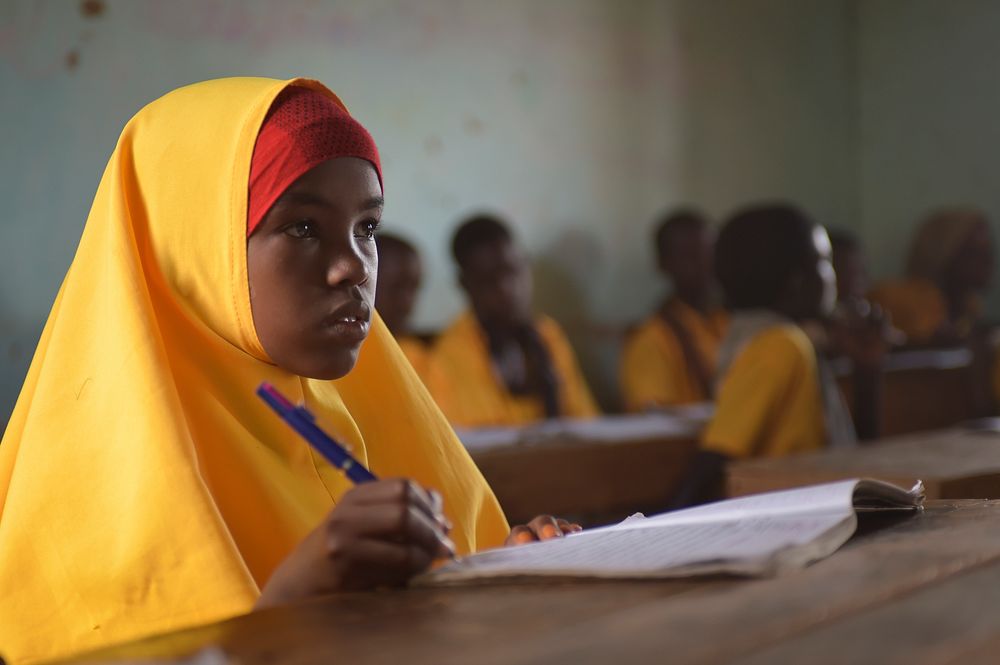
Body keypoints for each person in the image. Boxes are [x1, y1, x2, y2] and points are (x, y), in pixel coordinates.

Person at [0, 78, 578, 664]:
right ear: (196, 250)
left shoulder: (353, 408)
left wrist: (508, 571)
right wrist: (301, 591)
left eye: (368, 227)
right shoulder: (88, 474)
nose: (354, 267)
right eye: (303, 227)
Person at [672, 203, 857, 507]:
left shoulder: (756, 334)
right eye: (824, 262)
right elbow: (716, 454)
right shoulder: (781, 344)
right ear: (797, 281)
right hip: (784, 510)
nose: (832, 275)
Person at [426, 214, 599, 427]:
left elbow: (585, 419)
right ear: (465, 284)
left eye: (513, 271)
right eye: (489, 280)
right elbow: (479, 436)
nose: (507, 289)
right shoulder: (452, 352)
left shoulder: (548, 334)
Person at [619, 209, 727, 411]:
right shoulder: (650, 339)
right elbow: (652, 422)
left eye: (710, 254)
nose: (704, 266)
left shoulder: (727, 323)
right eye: (690, 256)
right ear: (663, 264)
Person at [870, 208, 994, 346]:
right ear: (942, 254)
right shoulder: (895, 302)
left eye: (988, 250)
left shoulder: (971, 312)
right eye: (973, 252)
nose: (988, 260)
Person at [374, 232, 431, 378]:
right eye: (396, 287)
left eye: (414, 288)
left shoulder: (417, 356)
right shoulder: (341, 360)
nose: (407, 301)